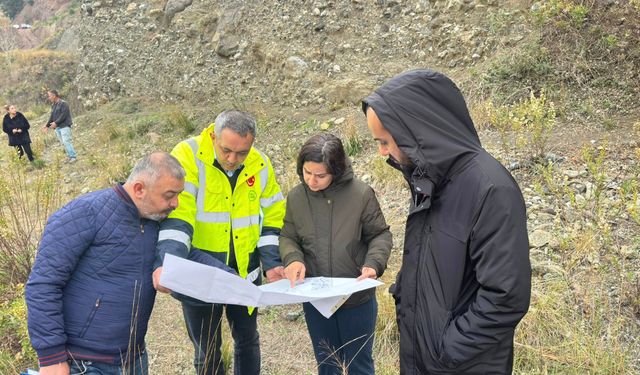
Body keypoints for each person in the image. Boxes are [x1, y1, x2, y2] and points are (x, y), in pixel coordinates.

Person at [362, 69, 531, 374]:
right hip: (424, 357)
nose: (382, 152)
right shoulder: (430, 178)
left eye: (385, 141)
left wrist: (447, 349)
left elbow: (506, 296)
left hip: (462, 365)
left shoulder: (490, 189)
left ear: (414, 132)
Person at [25, 151, 186, 375]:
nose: (176, 203)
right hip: (84, 363)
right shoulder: (83, 212)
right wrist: (51, 357)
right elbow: (43, 285)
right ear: (139, 189)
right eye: (169, 195)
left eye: (179, 195)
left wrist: (237, 282)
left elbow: (192, 257)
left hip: (134, 358)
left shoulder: (153, 221)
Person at [153, 109, 286, 375]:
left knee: (248, 340)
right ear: (213, 135)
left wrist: (271, 261)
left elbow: (273, 214)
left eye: (242, 153)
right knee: (207, 349)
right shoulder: (187, 156)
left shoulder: (259, 164)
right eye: (226, 150)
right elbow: (178, 216)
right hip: (199, 271)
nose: (232, 159)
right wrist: (170, 262)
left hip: (244, 274)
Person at [279, 133, 392, 375]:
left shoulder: (361, 195)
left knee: (359, 365)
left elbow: (380, 235)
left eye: (320, 175)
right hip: (316, 299)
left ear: (337, 170)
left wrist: (373, 264)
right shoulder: (297, 197)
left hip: (356, 298)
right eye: (307, 172)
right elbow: (288, 237)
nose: (312, 180)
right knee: (327, 363)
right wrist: (293, 259)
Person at [44, 89, 77, 163]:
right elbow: (52, 116)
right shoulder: (53, 105)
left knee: (66, 141)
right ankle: (69, 156)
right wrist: (47, 125)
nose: (49, 98)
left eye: (49, 96)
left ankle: (73, 156)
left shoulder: (63, 103)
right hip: (57, 128)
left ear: (54, 95)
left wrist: (55, 123)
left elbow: (63, 115)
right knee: (63, 143)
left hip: (64, 126)